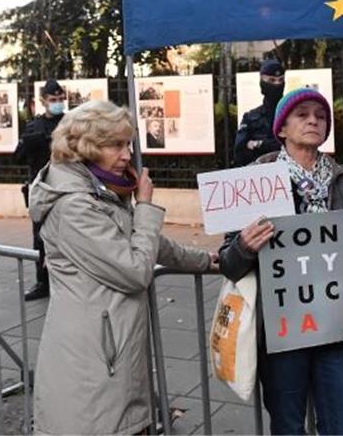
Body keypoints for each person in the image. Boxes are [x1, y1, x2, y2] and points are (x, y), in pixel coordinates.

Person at [28, 101, 215, 435]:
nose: (127, 154)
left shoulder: (98, 191)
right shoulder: (75, 205)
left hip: (110, 349)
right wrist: (144, 205)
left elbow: (140, 239)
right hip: (95, 359)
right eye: (116, 145)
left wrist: (207, 261)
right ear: (86, 147)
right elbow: (134, 270)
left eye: (127, 144)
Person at [218, 88, 343, 435]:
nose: (313, 120)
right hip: (281, 332)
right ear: (281, 129)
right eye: (302, 114)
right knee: (287, 425)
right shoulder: (255, 178)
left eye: (320, 115)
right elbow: (229, 261)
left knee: (342, 426)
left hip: (337, 325)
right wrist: (245, 247)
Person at [14, 79, 67, 301]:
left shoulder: (71, 124)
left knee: (68, 236)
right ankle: (43, 282)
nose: (57, 103)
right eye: (53, 100)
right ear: (43, 101)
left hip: (66, 188)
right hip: (42, 190)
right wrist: (29, 144)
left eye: (60, 99)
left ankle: (67, 282)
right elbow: (17, 158)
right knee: (40, 239)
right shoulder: (33, 127)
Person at [233, 58, 286, 166]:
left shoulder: (291, 115)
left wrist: (258, 144)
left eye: (281, 80)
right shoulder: (250, 117)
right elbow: (239, 153)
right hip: (258, 175)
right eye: (272, 80)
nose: (277, 84)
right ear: (262, 82)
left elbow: (295, 147)